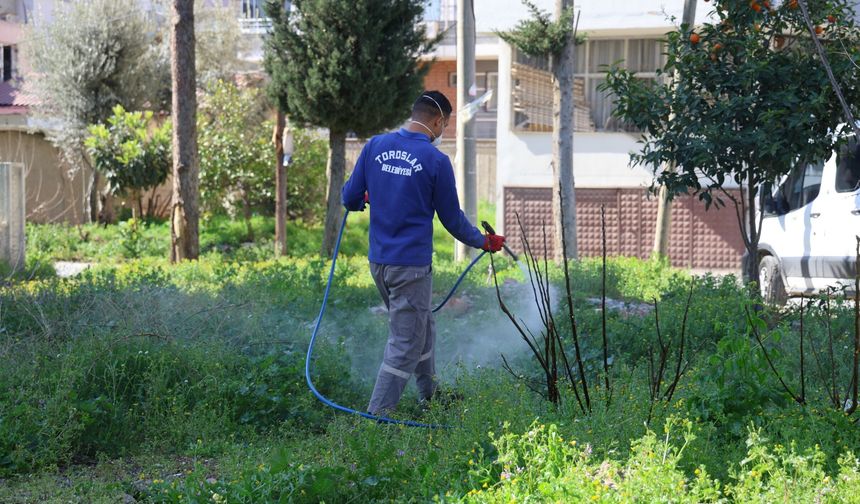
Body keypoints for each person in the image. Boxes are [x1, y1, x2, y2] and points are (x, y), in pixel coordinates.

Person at [341, 90, 506, 415]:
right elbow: (452, 220)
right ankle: (376, 418)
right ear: (438, 121)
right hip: (411, 268)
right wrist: (483, 242)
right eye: (445, 125)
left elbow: (349, 198)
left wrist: (366, 198)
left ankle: (430, 394)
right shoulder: (436, 161)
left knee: (422, 326)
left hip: (380, 264)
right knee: (405, 343)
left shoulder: (375, 145)